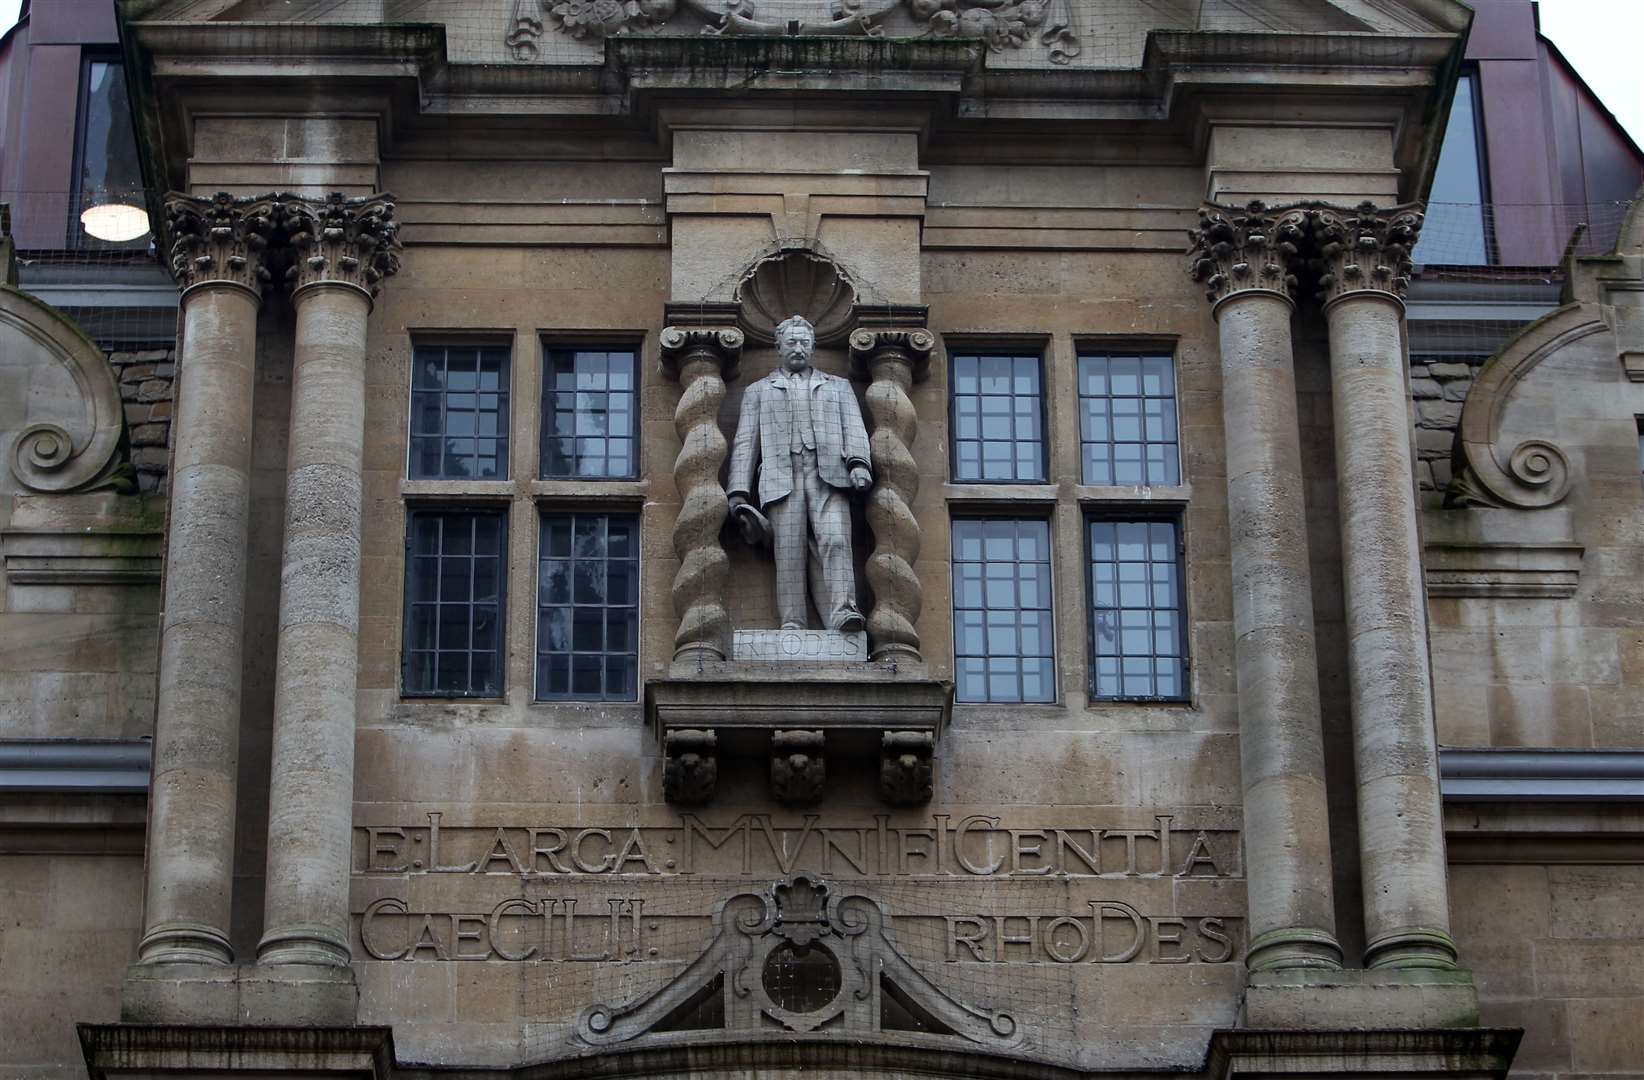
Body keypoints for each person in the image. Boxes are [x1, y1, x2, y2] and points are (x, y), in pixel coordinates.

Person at [726, 314, 872, 632]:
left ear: (814, 347)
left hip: (830, 476)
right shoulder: (758, 391)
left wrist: (859, 463)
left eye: (805, 342)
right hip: (781, 477)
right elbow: (745, 442)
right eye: (791, 342)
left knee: (836, 539)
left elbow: (855, 429)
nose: (798, 348)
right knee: (789, 553)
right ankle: (793, 621)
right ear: (778, 347)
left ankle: (843, 610)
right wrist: (738, 492)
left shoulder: (838, 387)